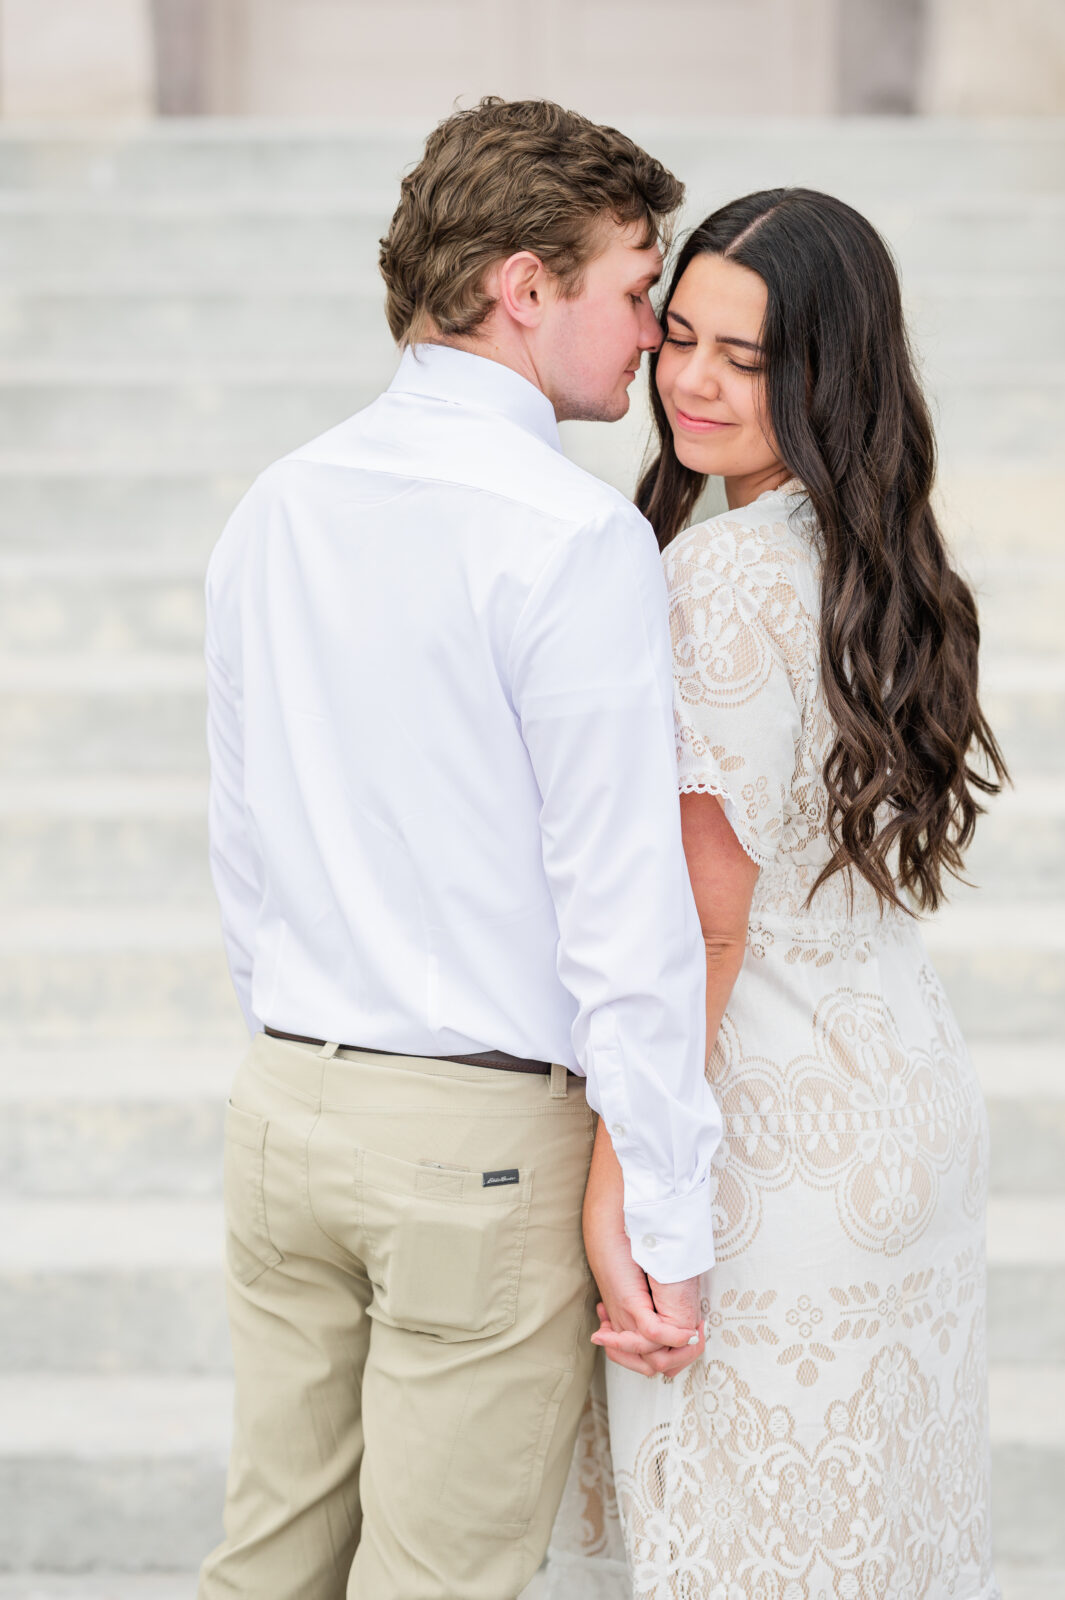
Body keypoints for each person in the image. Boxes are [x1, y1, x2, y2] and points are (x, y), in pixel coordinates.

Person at [196, 98, 720, 1600]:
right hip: (475, 1142)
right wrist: (668, 1212)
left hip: (286, 1103)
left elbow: (243, 844)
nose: (652, 336)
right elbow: (621, 908)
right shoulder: (570, 536)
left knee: (267, 1566)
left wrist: (306, 1040)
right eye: (638, 288)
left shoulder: (279, 503)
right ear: (524, 286)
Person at [554, 189, 1007, 1600]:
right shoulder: (878, 564)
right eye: (678, 336)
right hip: (903, 1100)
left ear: (825, 372)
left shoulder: (719, 576)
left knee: (746, 1552)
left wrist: (622, 1189)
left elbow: (705, 928)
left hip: (770, 1142)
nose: (690, 381)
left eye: (742, 359)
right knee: (874, 1545)